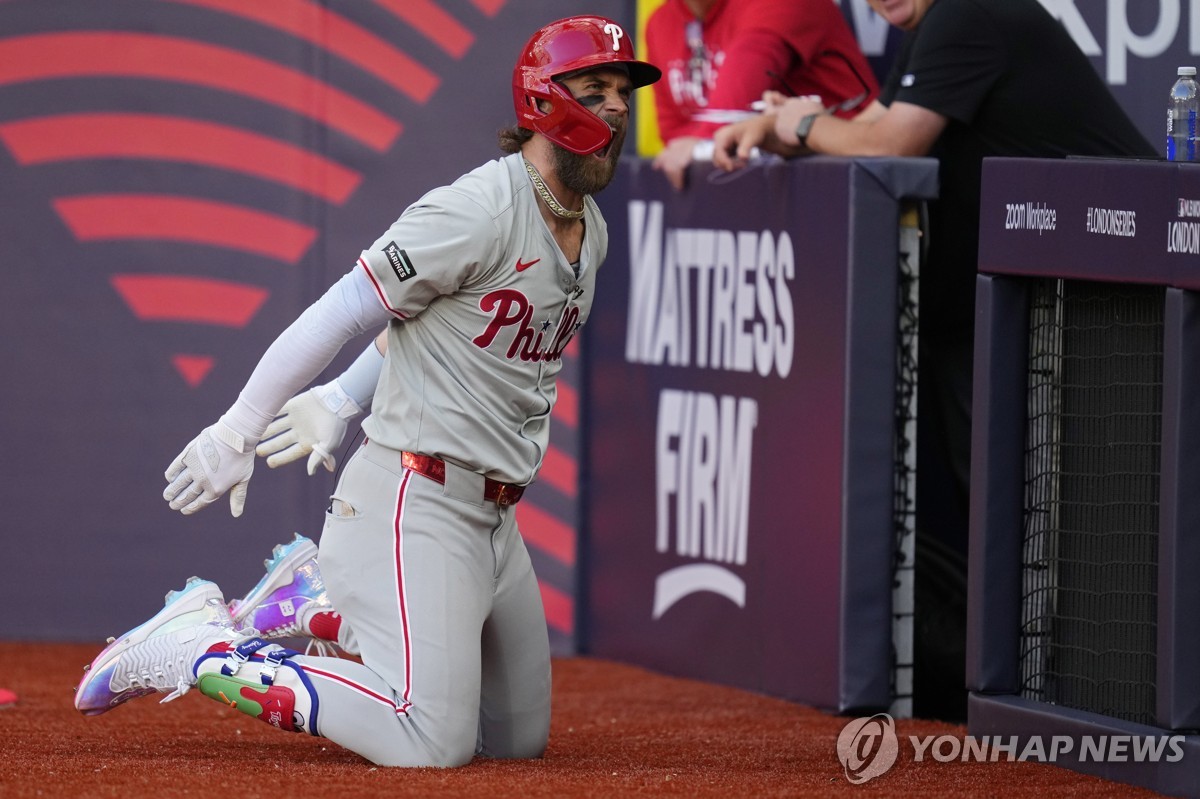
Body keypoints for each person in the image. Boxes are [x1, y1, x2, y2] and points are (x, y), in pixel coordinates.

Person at [73, 15, 661, 767]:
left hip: (496, 515)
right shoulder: (479, 209)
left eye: (624, 90)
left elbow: (441, 328)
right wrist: (237, 428)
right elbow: (346, 307)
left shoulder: (592, 229)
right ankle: (201, 645)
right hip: (418, 496)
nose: (617, 105)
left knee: (516, 742)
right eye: (597, 87)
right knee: (429, 737)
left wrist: (343, 399)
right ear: (545, 101)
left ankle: (319, 601)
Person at [712, 0, 1155, 720]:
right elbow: (864, 135)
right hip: (997, 310)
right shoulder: (930, 35)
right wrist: (791, 127)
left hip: (1106, 307)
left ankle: (1097, 704)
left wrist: (794, 122)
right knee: (1005, 511)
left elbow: (891, 142)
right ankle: (1027, 695)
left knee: (1076, 517)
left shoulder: (968, 12)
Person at [646, 0, 877, 189]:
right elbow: (676, 135)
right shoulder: (661, 22)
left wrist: (697, 143)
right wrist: (694, 144)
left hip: (856, 167)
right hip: (771, 180)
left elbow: (728, 113)